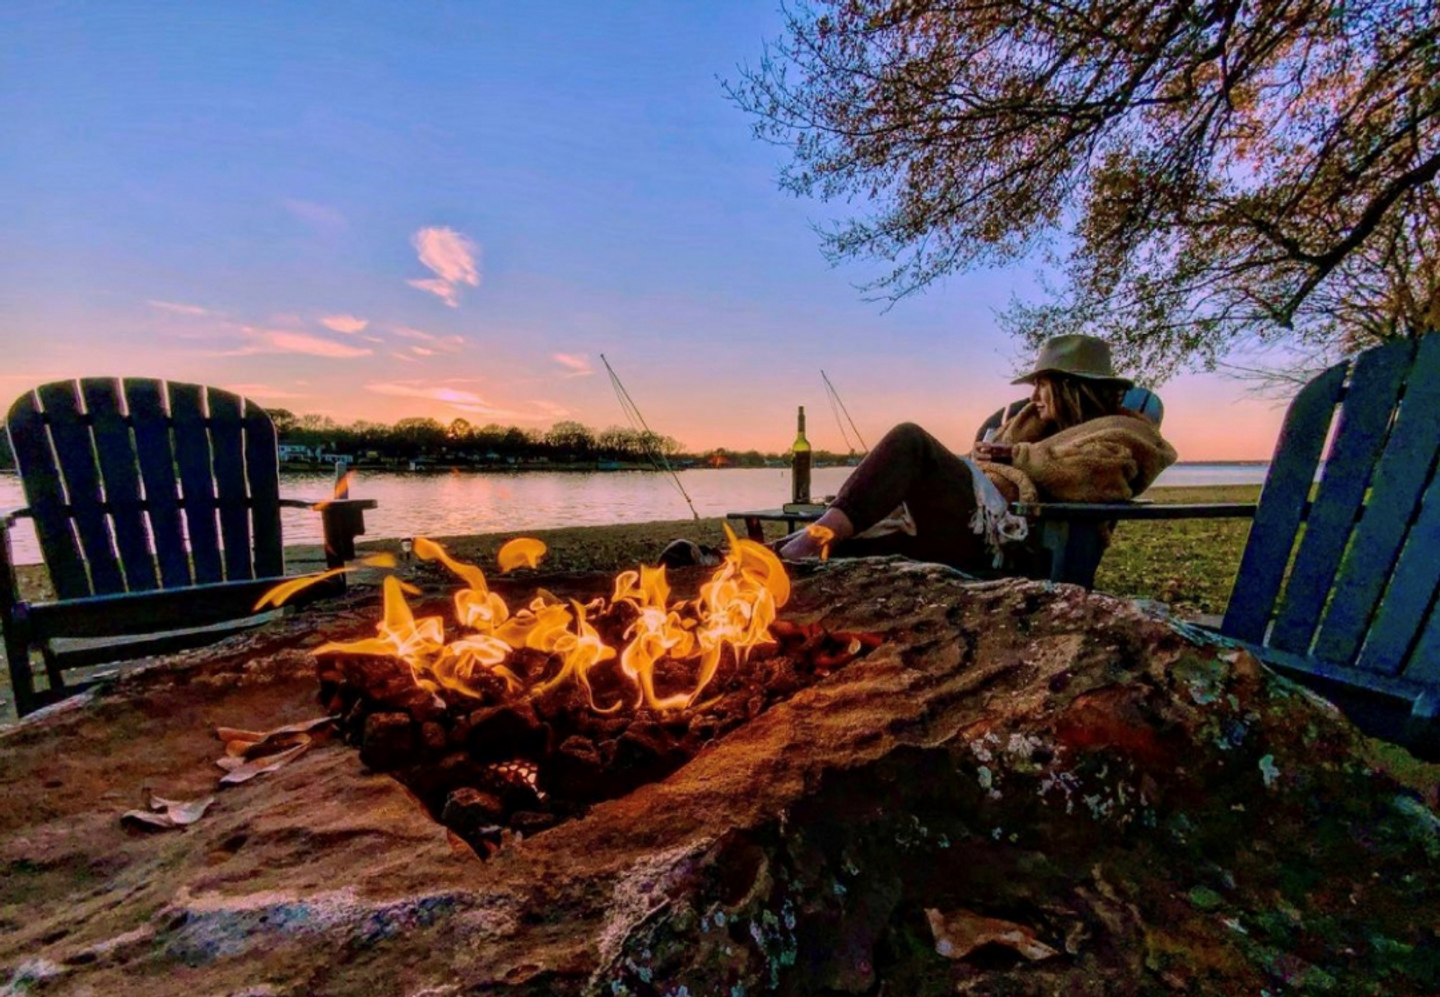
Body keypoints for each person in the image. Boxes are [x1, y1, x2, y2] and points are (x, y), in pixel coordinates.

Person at [775, 334, 1177, 570]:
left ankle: (812, 538)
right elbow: (987, 472)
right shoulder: (1034, 427)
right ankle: (771, 564)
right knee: (851, 548)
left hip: (1019, 550)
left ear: (1070, 386)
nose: (1033, 397)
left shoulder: (1125, 434)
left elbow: (1098, 477)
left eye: (1042, 386)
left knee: (910, 439)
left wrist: (1013, 457)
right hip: (977, 531)